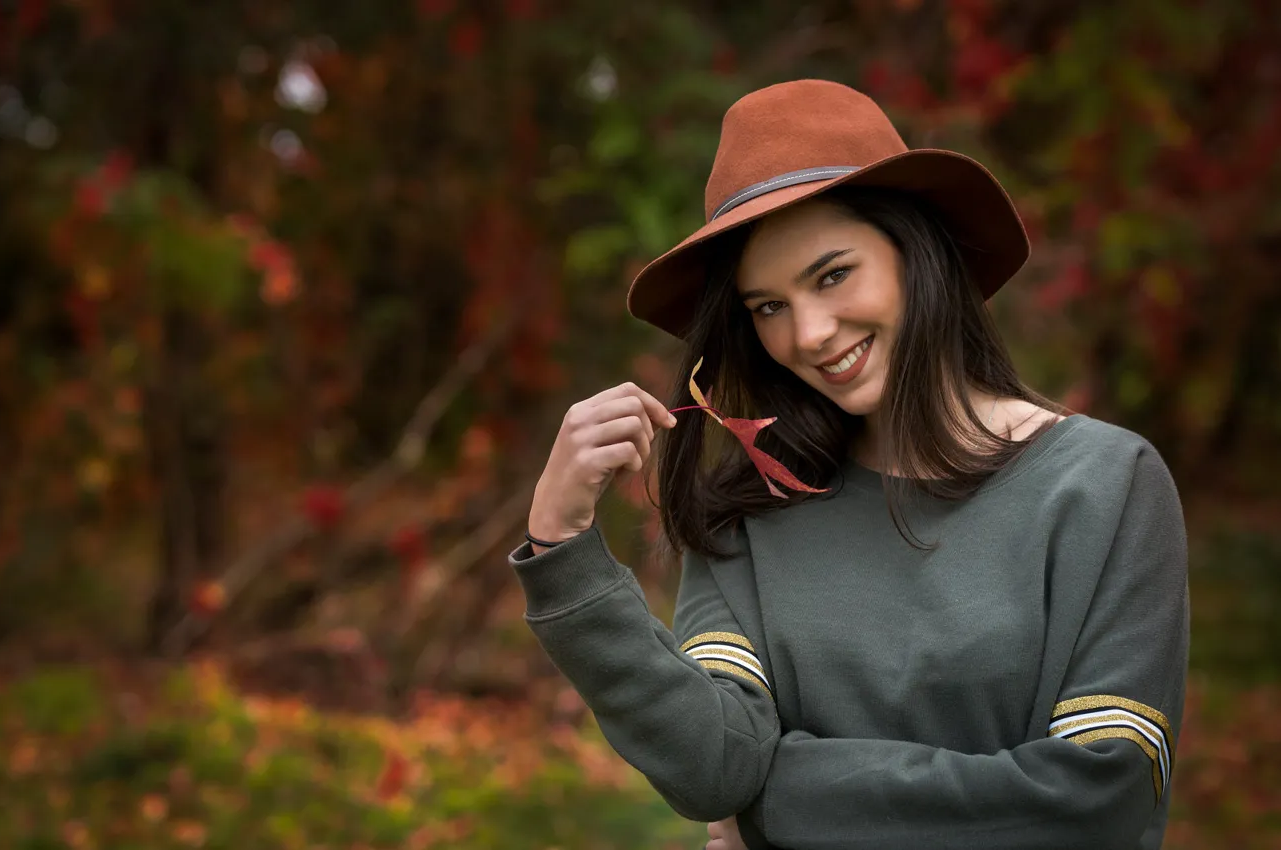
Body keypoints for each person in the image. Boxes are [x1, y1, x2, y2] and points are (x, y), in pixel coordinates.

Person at [506, 79, 1189, 850]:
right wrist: (562, 548)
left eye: (832, 275)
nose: (810, 334)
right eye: (769, 306)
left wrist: (778, 797)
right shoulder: (751, 515)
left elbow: (1099, 799)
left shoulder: (1103, 485)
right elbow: (713, 770)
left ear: (916, 252)